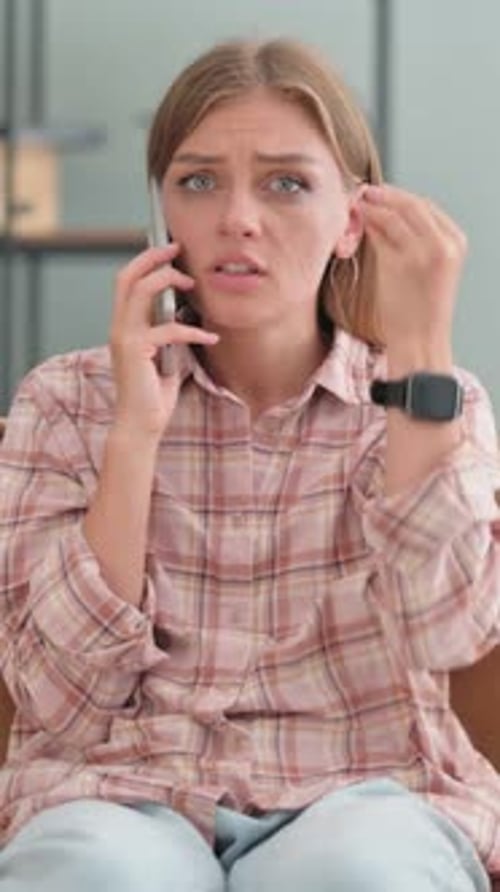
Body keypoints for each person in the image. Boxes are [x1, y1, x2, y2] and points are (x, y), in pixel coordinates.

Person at [0, 36, 499, 892]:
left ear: (353, 220)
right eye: (198, 182)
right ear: (163, 216)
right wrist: (133, 439)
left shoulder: (428, 397)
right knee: (94, 873)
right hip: (118, 794)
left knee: (357, 873)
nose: (237, 217)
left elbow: (444, 633)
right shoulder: (64, 401)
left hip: (365, 792)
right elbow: (56, 699)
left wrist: (421, 351)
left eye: (286, 182)